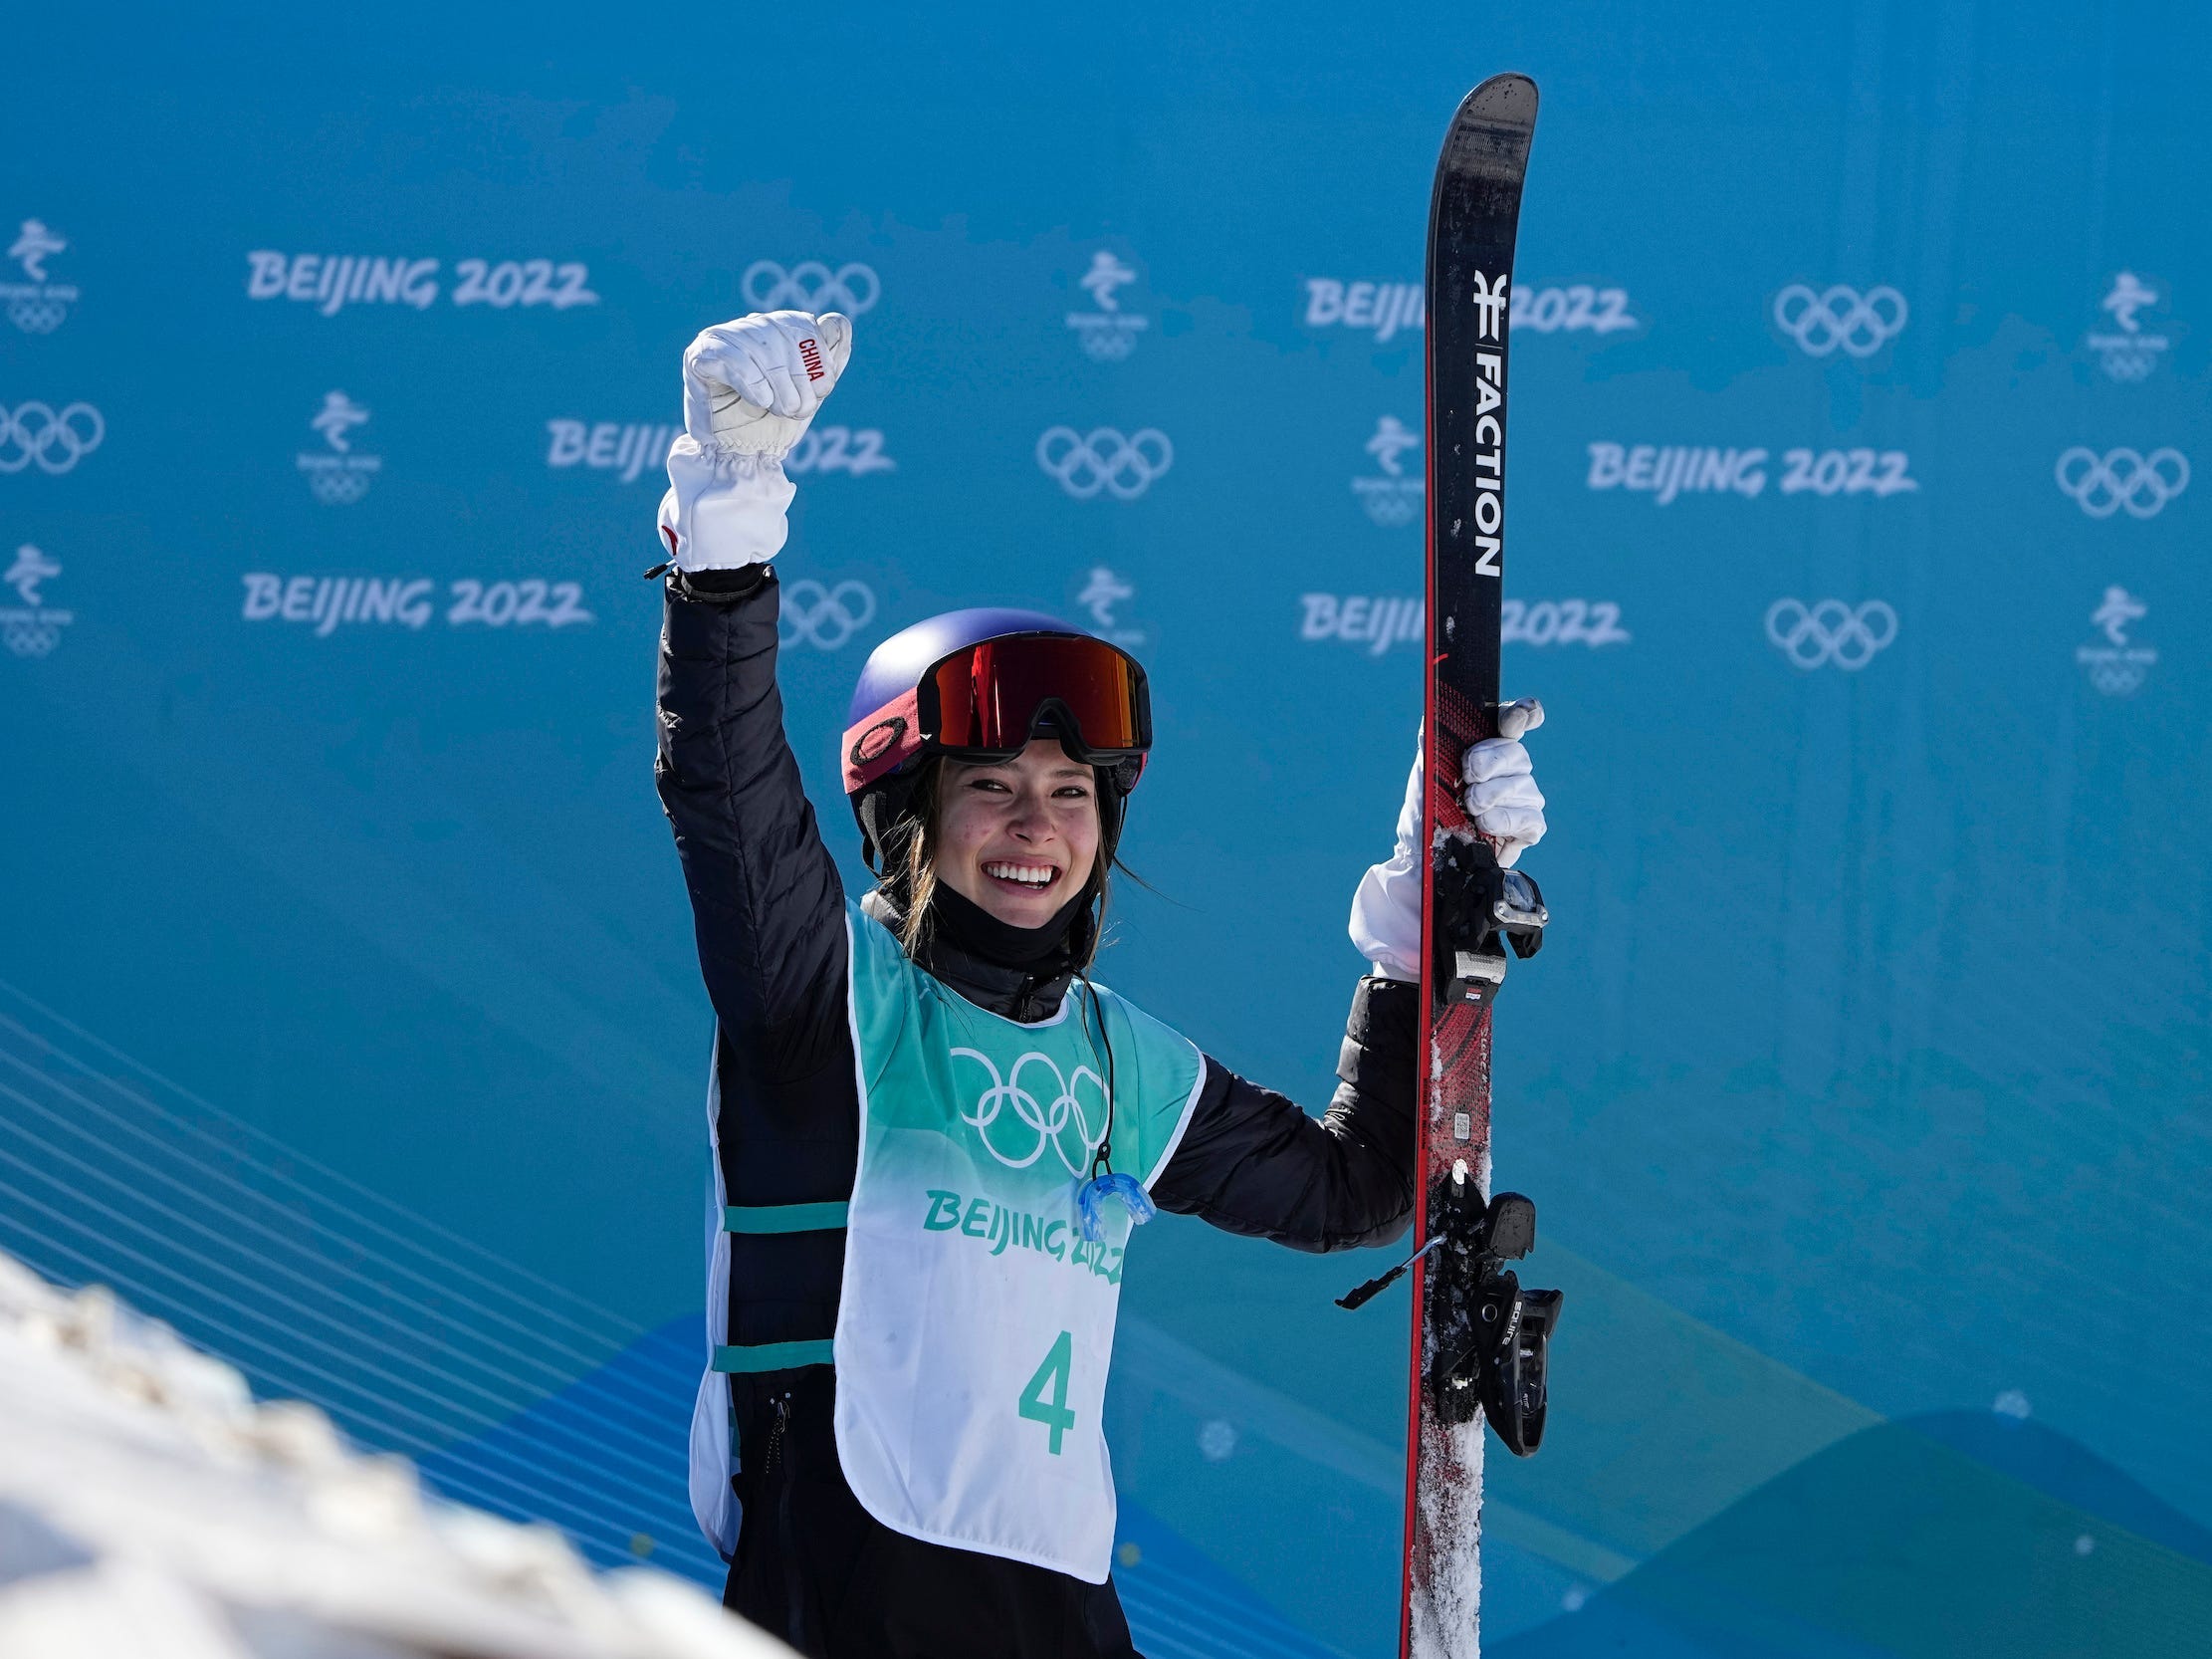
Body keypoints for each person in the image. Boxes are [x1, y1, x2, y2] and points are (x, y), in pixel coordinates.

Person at [652, 311, 1549, 1658]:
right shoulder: (827, 1003)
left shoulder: (1125, 1066)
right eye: (992, 788)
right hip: (838, 1592)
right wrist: (725, 531)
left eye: (1070, 793)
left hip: (1063, 1610)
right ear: (908, 815)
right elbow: (724, 790)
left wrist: (1420, 928)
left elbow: (1359, 1191)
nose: (1036, 828)